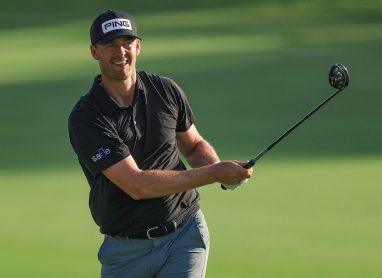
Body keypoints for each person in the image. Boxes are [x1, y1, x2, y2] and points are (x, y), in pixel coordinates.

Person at [68, 9, 253, 278]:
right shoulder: (87, 117)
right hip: (125, 251)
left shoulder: (164, 90)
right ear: (95, 51)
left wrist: (223, 171)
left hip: (184, 236)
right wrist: (214, 173)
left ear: (138, 46)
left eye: (127, 43)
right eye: (110, 45)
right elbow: (136, 185)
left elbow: (193, 146)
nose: (120, 52)